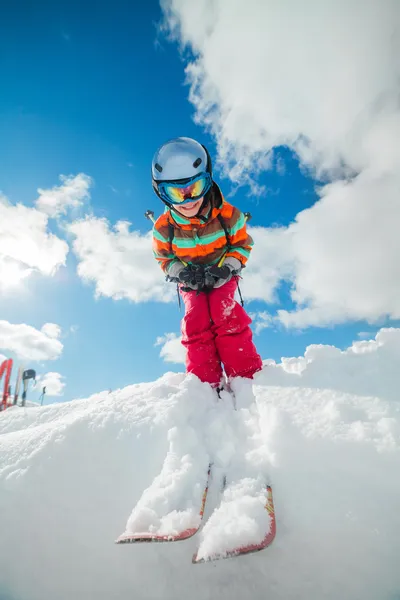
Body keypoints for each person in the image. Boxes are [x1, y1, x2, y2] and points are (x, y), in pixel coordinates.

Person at [151, 137, 262, 391]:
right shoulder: (163, 228)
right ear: (161, 192)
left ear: (208, 180)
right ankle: (204, 384)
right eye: (176, 193)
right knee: (196, 320)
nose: (188, 200)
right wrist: (182, 273)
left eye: (196, 187)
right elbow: (164, 259)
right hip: (190, 279)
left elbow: (242, 244)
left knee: (224, 313)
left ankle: (245, 375)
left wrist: (229, 267)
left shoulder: (228, 216)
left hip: (222, 272)